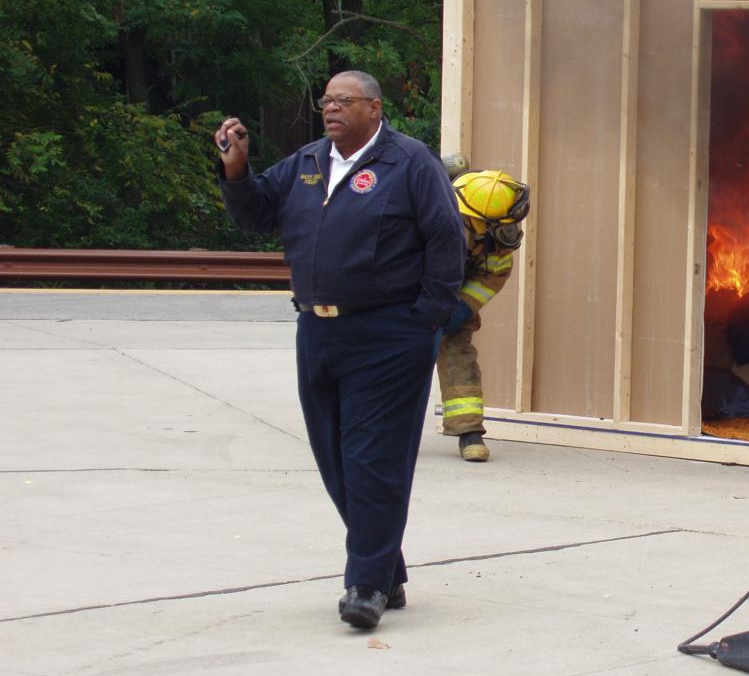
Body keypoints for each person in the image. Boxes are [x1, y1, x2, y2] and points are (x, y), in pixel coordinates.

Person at [214, 70, 465, 631]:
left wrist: (425, 318)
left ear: (374, 108)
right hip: (319, 331)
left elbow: (448, 240)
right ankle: (387, 567)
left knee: (372, 460)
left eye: (343, 101)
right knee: (334, 459)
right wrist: (236, 168)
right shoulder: (308, 162)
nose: (331, 109)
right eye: (326, 101)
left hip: (389, 336)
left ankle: (366, 586)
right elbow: (256, 213)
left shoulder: (410, 162)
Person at [436, 157, 530, 462]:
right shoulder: (430, 221)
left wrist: (464, 307)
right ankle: (375, 431)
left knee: (459, 357)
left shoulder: (493, 222)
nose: (511, 230)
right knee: (391, 362)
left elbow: (494, 273)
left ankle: (470, 433)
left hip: (454, 297)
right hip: (408, 297)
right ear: (477, 222)